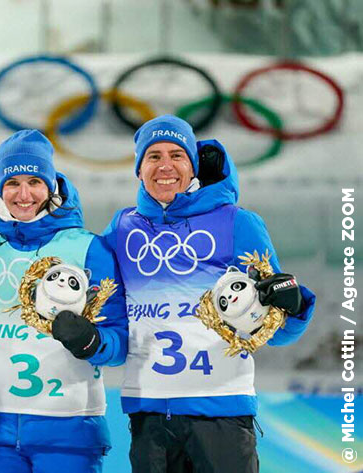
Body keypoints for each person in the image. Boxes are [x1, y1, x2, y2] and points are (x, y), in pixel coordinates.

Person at [102, 115, 316, 473]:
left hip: (221, 413)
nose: (165, 166)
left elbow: (274, 325)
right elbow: (104, 307)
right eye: (153, 156)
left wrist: (291, 307)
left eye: (177, 155)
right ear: (139, 169)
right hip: (150, 417)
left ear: (193, 165)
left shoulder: (237, 223)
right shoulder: (122, 227)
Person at [0, 129, 129, 473]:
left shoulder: (89, 249)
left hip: (68, 428)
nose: (24, 195)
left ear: (52, 186)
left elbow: (120, 340)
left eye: (35, 182)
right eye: (12, 183)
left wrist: (93, 342)